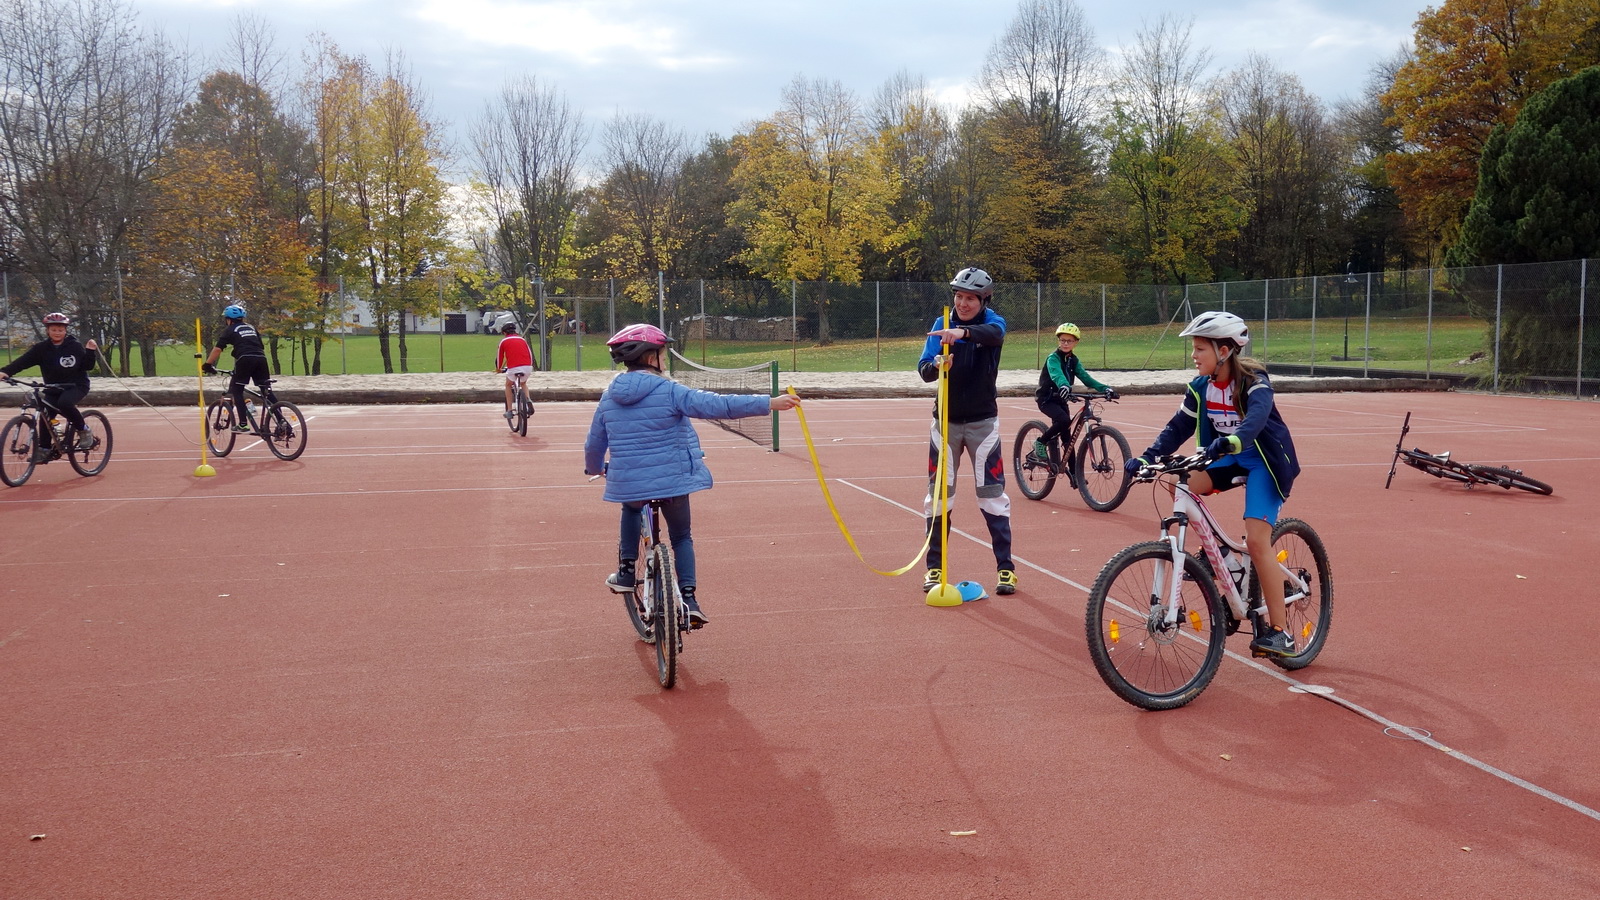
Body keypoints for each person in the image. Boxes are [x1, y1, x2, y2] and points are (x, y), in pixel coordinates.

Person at [583, 324, 801, 628]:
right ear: (650, 359)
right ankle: (689, 598)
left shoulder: (609, 397)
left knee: (632, 508)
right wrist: (768, 403)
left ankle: (626, 571)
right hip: (674, 479)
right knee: (681, 536)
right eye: (662, 353)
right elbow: (717, 405)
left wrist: (595, 468)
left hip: (630, 481)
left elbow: (594, 443)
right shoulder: (670, 390)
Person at [1126, 310, 1302, 657]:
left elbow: (1255, 419)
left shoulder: (1254, 381)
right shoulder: (1200, 388)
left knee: (1256, 539)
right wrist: (1148, 458)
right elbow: (1177, 428)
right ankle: (1220, 557)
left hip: (1263, 463)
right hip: (1226, 456)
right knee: (1185, 483)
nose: (1194, 356)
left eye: (1200, 349)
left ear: (1224, 351)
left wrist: (1234, 439)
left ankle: (1282, 634)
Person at [917, 266, 1017, 596]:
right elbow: (924, 370)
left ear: (983, 300)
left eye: (970, 298)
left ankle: (1006, 569)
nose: (962, 303)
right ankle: (935, 568)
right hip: (944, 424)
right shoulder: (939, 324)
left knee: (992, 497)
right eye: (958, 296)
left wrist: (961, 334)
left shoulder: (994, 323)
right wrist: (936, 366)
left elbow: (994, 335)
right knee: (939, 497)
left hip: (983, 423)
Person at [1, 312, 100, 456]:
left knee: (65, 403)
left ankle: (84, 430)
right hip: (53, 387)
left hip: (76, 386)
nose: (57, 333)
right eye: (54, 330)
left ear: (65, 331)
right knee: (44, 409)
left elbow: (87, 366)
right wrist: (5, 372)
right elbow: (22, 362)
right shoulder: (41, 349)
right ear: (48, 330)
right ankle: (45, 448)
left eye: (60, 330)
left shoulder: (74, 346)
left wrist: (90, 351)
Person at [1032, 322, 1119, 462]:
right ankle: (1041, 442)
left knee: (1068, 440)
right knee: (1064, 421)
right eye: (1062, 340)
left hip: (1061, 399)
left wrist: (1105, 388)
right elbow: (1057, 375)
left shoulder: (1073, 360)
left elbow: (1086, 378)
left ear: (1076, 342)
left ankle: (1074, 475)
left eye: (1069, 341)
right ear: (1058, 340)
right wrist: (1065, 386)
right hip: (1047, 399)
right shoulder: (1053, 358)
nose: (1065, 343)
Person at [201, 304, 269, 433]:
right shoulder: (251, 327)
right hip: (261, 358)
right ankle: (281, 419)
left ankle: (243, 425)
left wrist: (208, 365)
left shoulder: (230, 329)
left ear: (228, 319)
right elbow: (260, 345)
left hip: (244, 359)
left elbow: (217, 349)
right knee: (266, 391)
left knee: (237, 390)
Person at [495, 321, 534, 421]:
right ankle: (528, 400)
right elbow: (530, 354)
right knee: (523, 383)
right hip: (527, 367)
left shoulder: (503, 341)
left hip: (513, 368)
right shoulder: (522, 339)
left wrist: (499, 368)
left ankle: (509, 410)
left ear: (504, 333)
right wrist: (529, 365)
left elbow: (499, 358)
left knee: (508, 384)